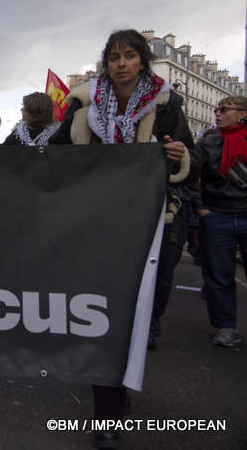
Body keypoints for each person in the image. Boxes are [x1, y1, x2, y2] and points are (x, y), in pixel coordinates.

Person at [49, 29, 198, 449]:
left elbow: (192, 158)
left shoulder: (166, 106)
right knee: (101, 313)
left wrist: (179, 156)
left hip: (144, 224)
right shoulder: (82, 104)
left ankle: (117, 389)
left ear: (142, 61)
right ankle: (108, 413)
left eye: (129, 55)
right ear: (105, 63)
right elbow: (56, 153)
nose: (121, 63)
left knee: (131, 313)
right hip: (94, 221)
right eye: (114, 56)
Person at [195, 96, 247, 348]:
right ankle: (226, 326)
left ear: (242, 114)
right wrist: (203, 209)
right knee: (219, 274)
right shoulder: (208, 142)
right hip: (218, 213)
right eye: (216, 109)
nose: (217, 113)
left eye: (224, 110)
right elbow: (195, 177)